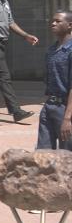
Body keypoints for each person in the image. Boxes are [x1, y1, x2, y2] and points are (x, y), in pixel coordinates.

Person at [36, 10, 72, 150]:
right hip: (49, 106)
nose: (53, 23)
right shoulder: (52, 50)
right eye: (52, 20)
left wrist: (68, 118)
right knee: (42, 154)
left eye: (58, 21)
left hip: (65, 109)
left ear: (70, 25)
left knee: (67, 155)